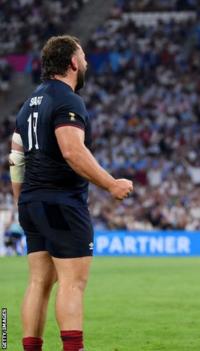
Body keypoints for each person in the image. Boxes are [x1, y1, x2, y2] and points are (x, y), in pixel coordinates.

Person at [11, 35, 133, 351]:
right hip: (61, 202)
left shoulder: (28, 104)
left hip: (32, 201)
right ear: (73, 63)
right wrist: (111, 184)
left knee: (39, 282)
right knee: (72, 283)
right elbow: (72, 151)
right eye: (84, 57)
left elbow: (15, 158)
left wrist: (20, 200)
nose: (87, 63)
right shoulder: (67, 100)